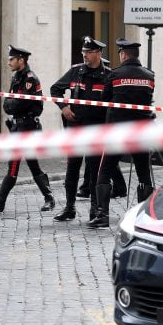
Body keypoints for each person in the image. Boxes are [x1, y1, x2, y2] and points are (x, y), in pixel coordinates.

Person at [89, 38, 155, 229]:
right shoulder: (149, 75)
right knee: (144, 173)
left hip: (117, 131)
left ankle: (102, 216)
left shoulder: (115, 75)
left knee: (105, 171)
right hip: (140, 133)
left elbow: (105, 98)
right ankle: (145, 217)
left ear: (124, 55)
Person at [0, 45, 55, 213]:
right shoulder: (17, 78)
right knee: (31, 164)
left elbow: (21, 103)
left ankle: (0, 200)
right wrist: (12, 105)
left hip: (28, 127)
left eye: (11, 59)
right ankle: (48, 197)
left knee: (15, 163)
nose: (9, 63)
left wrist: (13, 104)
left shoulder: (30, 79)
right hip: (18, 126)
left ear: (21, 60)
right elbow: (7, 104)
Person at [49, 36, 109, 222]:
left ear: (98, 53)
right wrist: (64, 107)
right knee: (72, 170)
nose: (84, 55)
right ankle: (69, 208)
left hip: (95, 130)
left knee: (93, 171)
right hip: (75, 129)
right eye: (83, 52)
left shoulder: (108, 76)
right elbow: (55, 89)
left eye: (88, 52)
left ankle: (94, 210)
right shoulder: (76, 72)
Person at [77, 61, 127, 200]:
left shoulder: (108, 77)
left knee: (104, 160)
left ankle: (118, 187)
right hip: (99, 124)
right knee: (95, 158)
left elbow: (106, 98)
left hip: (105, 123)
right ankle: (87, 187)